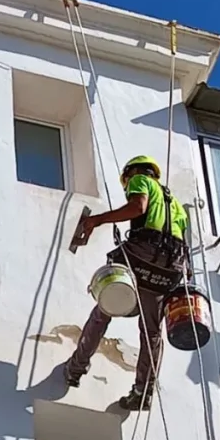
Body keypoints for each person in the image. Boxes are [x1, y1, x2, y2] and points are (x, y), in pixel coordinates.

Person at [63, 155, 190, 411]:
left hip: (142, 255)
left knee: (104, 308)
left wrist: (96, 220)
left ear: (133, 173)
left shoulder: (140, 179)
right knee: (152, 332)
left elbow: (138, 208)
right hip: (170, 269)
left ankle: (76, 368)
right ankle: (143, 391)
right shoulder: (175, 204)